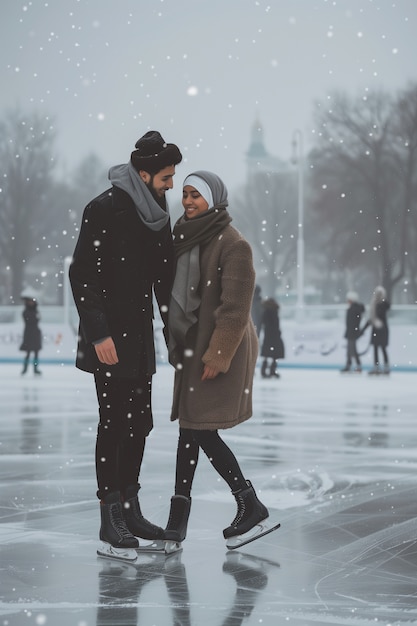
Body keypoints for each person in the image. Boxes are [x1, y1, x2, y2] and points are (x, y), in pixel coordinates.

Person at [69, 130, 182, 558]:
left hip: (140, 337)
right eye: (167, 177)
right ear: (144, 172)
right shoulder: (103, 208)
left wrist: (175, 338)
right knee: (114, 423)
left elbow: (164, 280)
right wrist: (99, 333)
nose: (171, 184)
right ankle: (109, 515)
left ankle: (130, 509)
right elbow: (82, 274)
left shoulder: (157, 212)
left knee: (141, 422)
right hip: (109, 340)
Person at [164, 170, 274, 550]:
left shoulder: (232, 243)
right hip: (193, 346)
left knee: (199, 428)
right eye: (186, 193)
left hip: (220, 349)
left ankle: (228, 507)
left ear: (214, 199)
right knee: (193, 428)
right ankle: (233, 506)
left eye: (196, 195)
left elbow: (235, 308)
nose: (189, 200)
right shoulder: (182, 237)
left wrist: (219, 355)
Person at [361, 285, 390, 375]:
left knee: (383, 348)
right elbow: (372, 318)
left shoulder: (383, 304)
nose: (378, 295)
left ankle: (386, 367)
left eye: (379, 294)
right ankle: (377, 367)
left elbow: (386, 308)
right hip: (376, 330)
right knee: (376, 348)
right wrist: (363, 328)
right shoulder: (374, 304)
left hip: (382, 329)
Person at [259, 297, 285, 378]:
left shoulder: (266, 311)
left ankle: (265, 371)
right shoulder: (273, 311)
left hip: (269, 335)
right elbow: (274, 324)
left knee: (268, 353)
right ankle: (271, 371)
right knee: (275, 354)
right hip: (274, 335)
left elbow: (264, 322)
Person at [340, 291, 365, 373]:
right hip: (351, 331)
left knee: (352, 349)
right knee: (350, 349)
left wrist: (354, 330)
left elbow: (354, 322)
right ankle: (350, 364)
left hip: (352, 332)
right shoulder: (353, 309)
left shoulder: (354, 309)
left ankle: (355, 365)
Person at [19, 290, 42, 376]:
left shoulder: (36, 311)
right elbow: (31, 321)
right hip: (29, 333)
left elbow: (37, 320)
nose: (31, 303)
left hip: (35, 333)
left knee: (36, 353)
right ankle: (25, 369)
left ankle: (35, 369)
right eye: (30, 301)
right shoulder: (25, 312)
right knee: (28, 353)